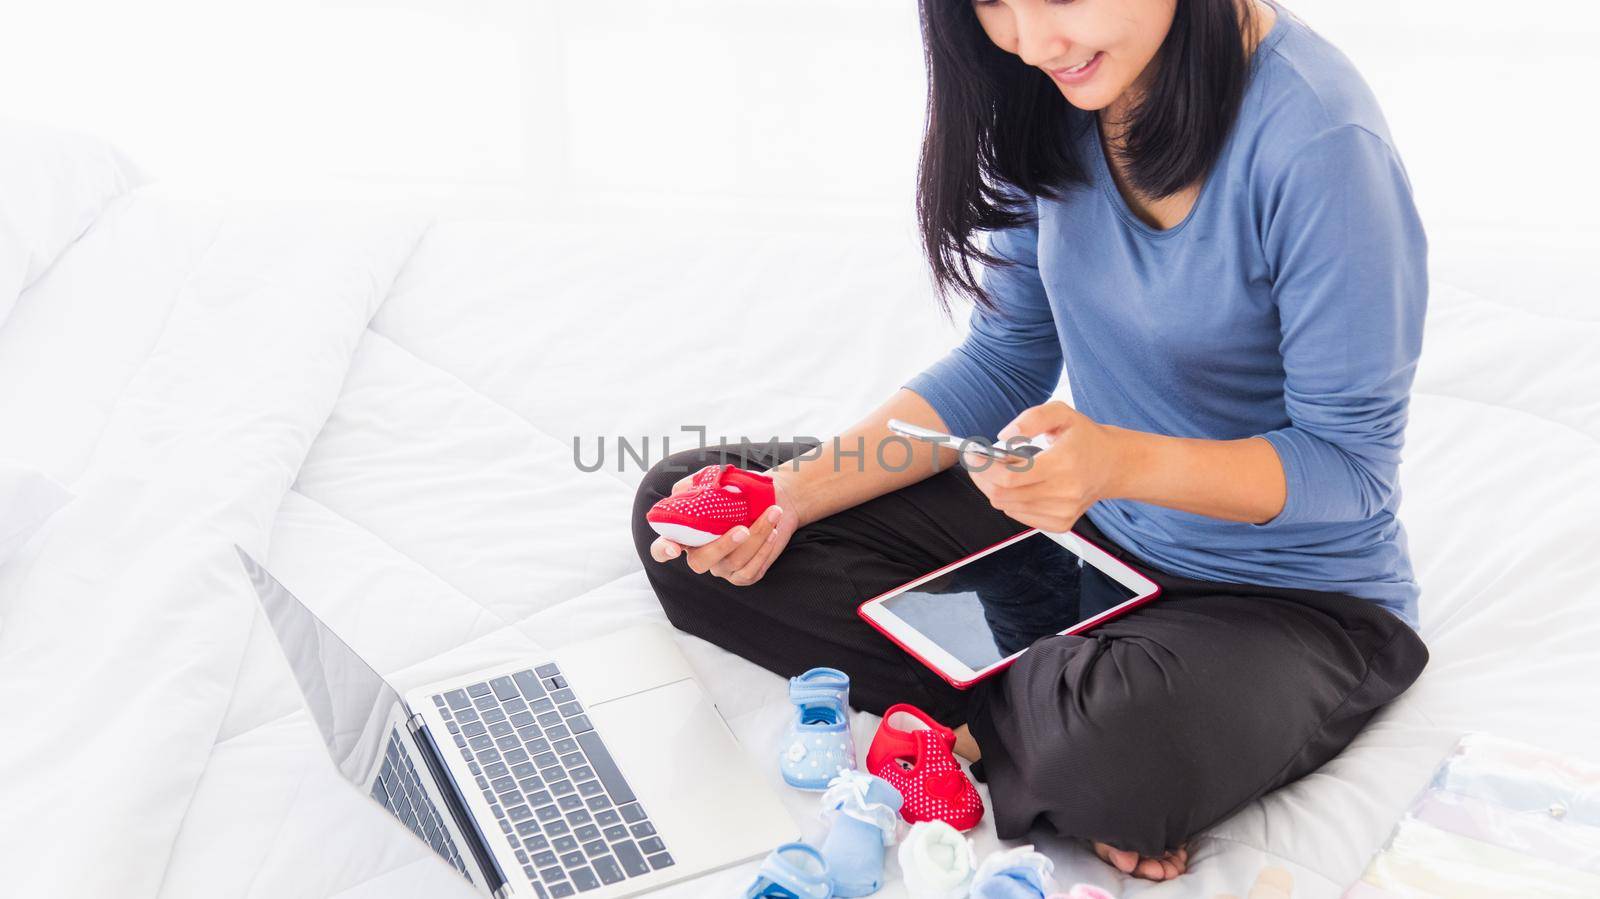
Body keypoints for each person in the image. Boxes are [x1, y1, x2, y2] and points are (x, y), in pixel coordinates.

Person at [631, 0, 1430, 882]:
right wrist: (791, 499)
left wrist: (1118, 461)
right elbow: (1006, 360)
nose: (1030, 41)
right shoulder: (1054, 88)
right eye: (996, 3)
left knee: (1114, 749)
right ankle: (1045, 733)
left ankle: (1067, 738)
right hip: (1086, 537)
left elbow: (1350, 465)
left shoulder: (1320, 141)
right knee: (696, 506)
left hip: (1287, 599)